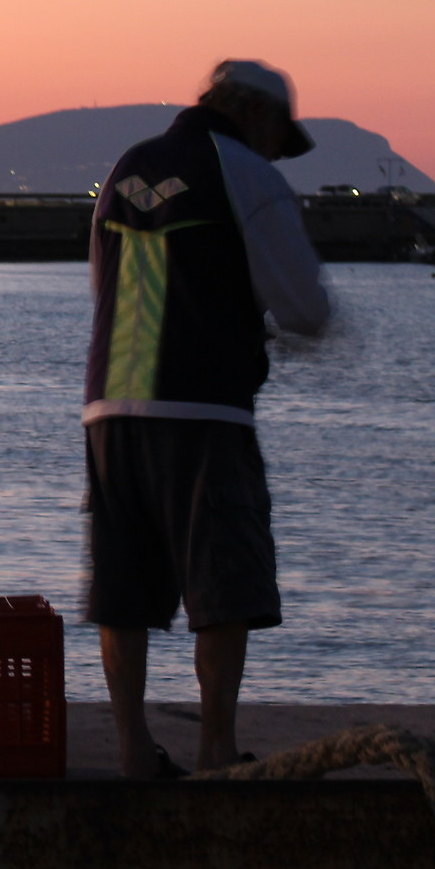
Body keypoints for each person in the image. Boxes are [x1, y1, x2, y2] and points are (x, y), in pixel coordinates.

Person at [82, 59, 331, 776]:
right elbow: (306, 310)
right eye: (280, 140)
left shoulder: (127, 169)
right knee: (222, 586)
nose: (278, 156)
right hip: (203, 407)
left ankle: (134, 749)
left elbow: (112, 287)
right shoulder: (245, 172)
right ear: (257, 116)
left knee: (124, 588)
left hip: (111, 404)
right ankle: (216, 752)